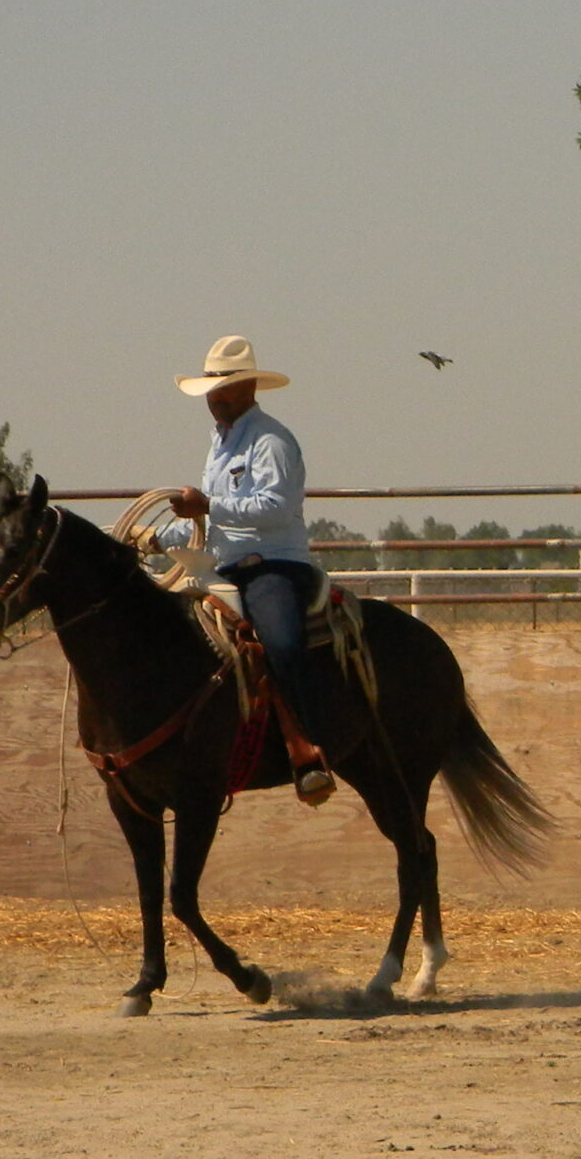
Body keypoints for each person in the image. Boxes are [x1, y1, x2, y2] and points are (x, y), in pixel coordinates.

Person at [162, 335, 336, 806]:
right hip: (224, 564)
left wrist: (209, 504)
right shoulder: (220, 445)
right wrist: (159, 538)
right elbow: (207, 521)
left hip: (274, 565)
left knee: (280, 640)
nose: (214, 399)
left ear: (249, 388)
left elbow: (276, 508)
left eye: (224, 389)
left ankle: (311, 747)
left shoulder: (272, 441)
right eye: (211, 391)